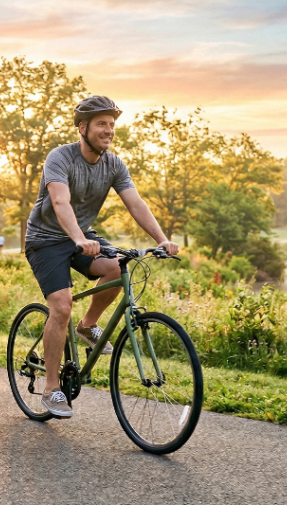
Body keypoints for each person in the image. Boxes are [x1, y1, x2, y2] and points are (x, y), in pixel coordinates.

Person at [24, 95, 179, 418]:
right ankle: (52, 388)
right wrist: (79, 238)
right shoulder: (60, 158)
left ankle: (88, 325)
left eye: (111, 125)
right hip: (46, 240)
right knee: (61, 305)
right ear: (82, 128)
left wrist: (161, 240)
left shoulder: (114, 164)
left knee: (118, 268)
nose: (108, 130)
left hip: (83, 238)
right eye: (101, 124)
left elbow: (135, 203)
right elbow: (60, 202)